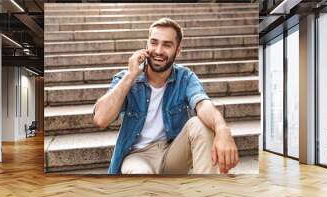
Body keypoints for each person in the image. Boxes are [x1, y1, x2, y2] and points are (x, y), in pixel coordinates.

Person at [93, 18, 238, 175]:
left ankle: (206, 193)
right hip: (138, 156)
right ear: (146, 46)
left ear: (178, 50)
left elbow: (202, 104)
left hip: (172, 152)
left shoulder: (185, 77)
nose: (159, 50)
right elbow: (101, 119)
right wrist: (130, 76)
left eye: (167, 45)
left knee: (200, 124)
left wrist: (222, 129)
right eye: (154, 43)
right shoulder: (126, 78)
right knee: (141, 175)